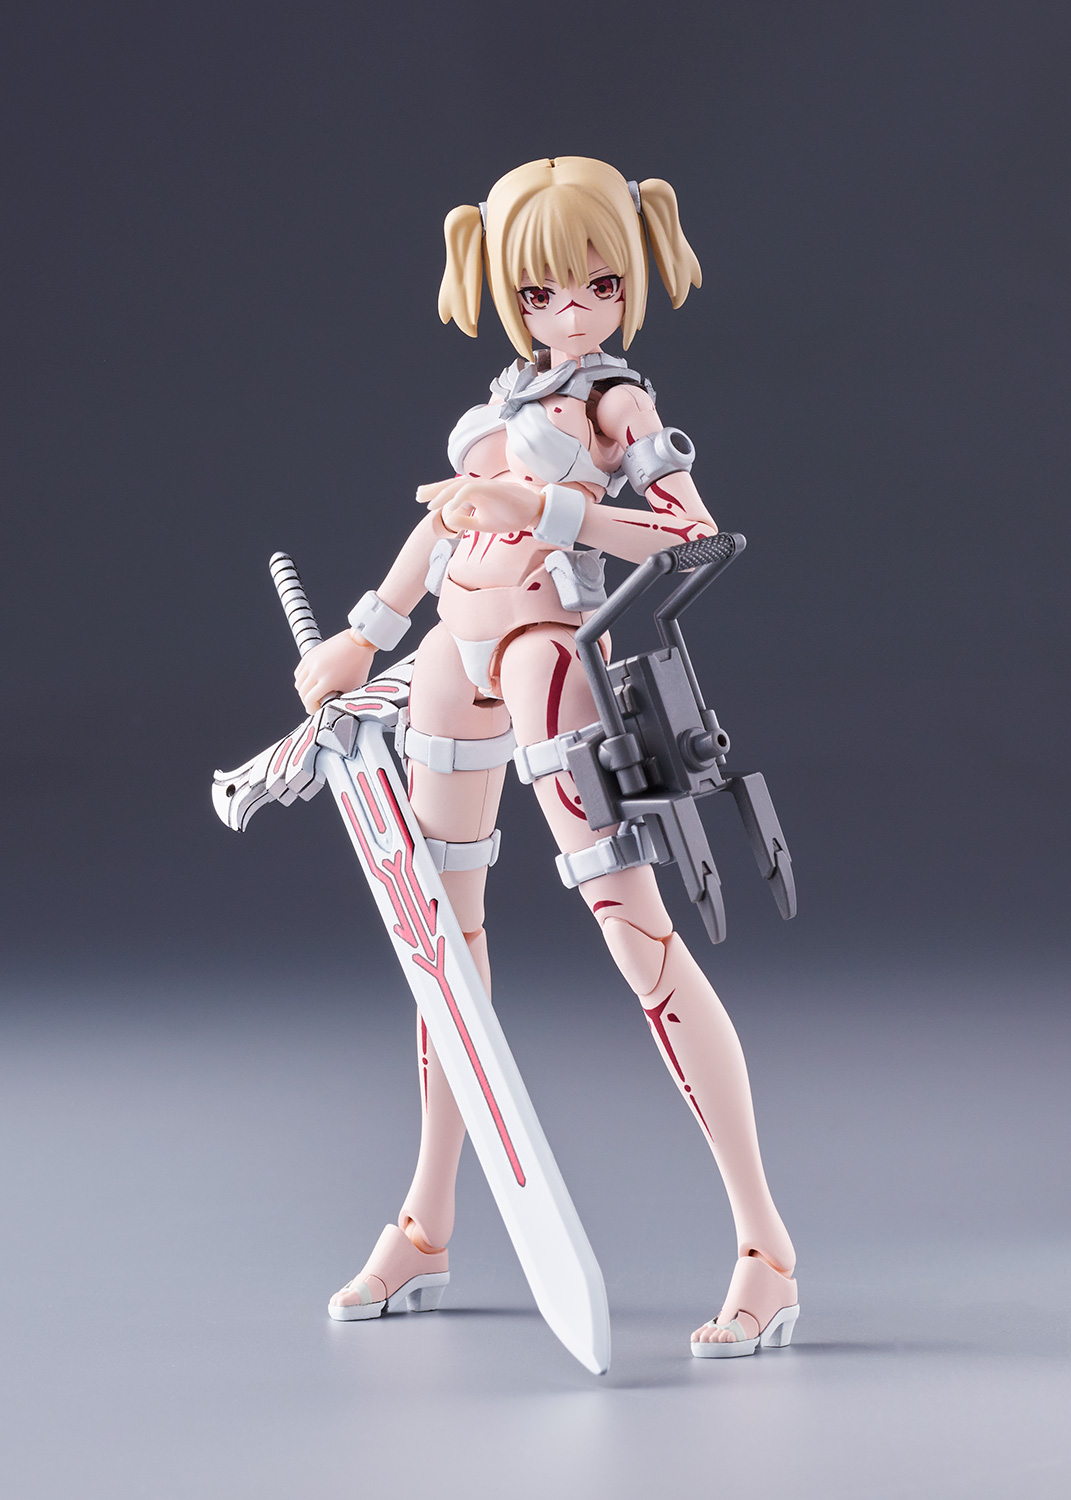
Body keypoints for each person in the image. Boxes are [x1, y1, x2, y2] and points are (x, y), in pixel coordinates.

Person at [293, 157, 798, 1358]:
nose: (570, 311)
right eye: (540, 293)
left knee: (635, 935)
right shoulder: (511, 395)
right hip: (450, 653)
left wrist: (548, 513)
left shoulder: (619, 405)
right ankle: (427, 1221)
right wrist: (368, 631)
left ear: (629, 281)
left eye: (597, 285)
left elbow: (689, 534)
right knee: (441, 945)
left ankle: (766, 1250)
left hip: (543, 652)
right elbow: (443, 520)